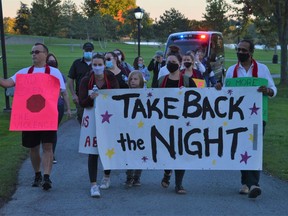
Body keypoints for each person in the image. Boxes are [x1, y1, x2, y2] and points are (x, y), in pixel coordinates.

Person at [215, 39, 277, 199]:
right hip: (238, 118)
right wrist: (220, 89)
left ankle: (253, 184)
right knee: (242, 148)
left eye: (244, 50)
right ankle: (246, 183)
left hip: (257, 117)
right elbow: (226, 94)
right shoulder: (231, 71)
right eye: (238, 49)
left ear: (251, 52)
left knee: (254, 149)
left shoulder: (262, 69)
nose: (240, 52)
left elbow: (273, 89)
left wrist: (268, 90)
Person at [0, 43, 67, 191]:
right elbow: (6, 83)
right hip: (29, 117)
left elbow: (60, 93)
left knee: (48, 146)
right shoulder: (24, 72)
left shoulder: (54, 73)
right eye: (32, 52)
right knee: (33, 147)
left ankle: (47, 177)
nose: (33, 55)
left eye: (37, 52)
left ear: (45, 54)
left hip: (47, 116)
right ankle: (37, 174)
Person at [79, 53, 119, 197]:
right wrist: (91, 98)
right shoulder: (86, 81)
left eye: (99, 64)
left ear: (104, 64)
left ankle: (106, 176)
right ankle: (93, 185)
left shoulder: (111, 78)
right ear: (92, 66)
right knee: (93, 151)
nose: (97, 67)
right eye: (94, 65)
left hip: (108, 119)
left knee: (107, 149)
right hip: (92, 118)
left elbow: (117, 96)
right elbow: (82, 102)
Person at [158, 52, 197, 194]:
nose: (170, 64)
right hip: (164, 120)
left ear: (179, 63)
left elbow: (198, 98)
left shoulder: (187, 81)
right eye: (168, 61)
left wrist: (187, 93)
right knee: (167, 149)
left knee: (181, 150)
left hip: (183, 122)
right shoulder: (161, 80)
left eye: (173, 61)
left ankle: (179, 184)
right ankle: (167, 172)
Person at [46, 53, 72, 164]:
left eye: (53, 61)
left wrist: (68, 108)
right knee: (45, 130)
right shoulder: (41, 74)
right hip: (45, 106)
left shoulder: (59, 75)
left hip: (58, 105)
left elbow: (64, 93)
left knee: (52, 130)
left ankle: (51, 154)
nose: (52, 63)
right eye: (49, 61)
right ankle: (46, 151)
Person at [124, 70, 145, 187]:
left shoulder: (146, 94)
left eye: (135, 79)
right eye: (131, 79)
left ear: (141, 81)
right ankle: (129, 176)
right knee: (129, 152)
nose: (133, 81)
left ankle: (137, 176)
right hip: (128, 128)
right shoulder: (124, 93)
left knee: (139, 152)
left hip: (141, 128)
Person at [68, 42, 94, 124]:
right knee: (82, 120)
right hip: (80, 96)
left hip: (95, 95)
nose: (88, 52)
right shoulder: (77, 63)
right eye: (86, 50)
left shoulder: (97, 63)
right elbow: (71, 79)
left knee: (95, 120)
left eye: (90, 50)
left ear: (93, 51)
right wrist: (73, 95)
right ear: (83, 50)